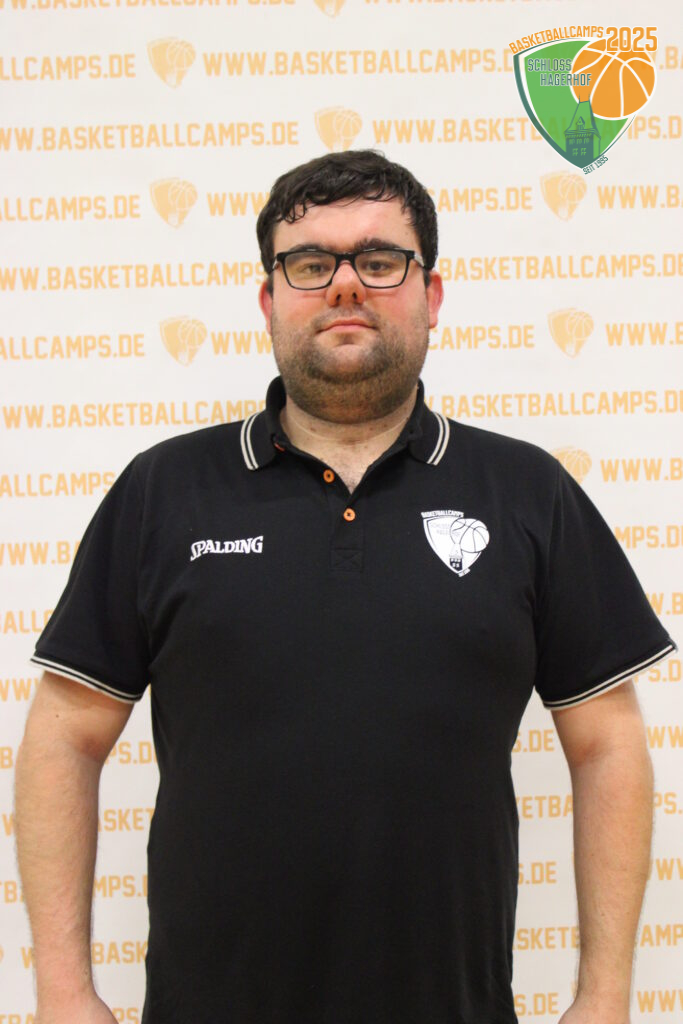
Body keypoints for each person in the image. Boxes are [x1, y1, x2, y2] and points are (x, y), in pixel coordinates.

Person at [16, 150, 675, 1024]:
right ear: (268, 299)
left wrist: (604, 996)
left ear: (431, 294)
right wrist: (63, 991)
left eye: (378, 259)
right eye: (308, 263)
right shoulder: (164, 491)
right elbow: (65, 735)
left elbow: (606, 744)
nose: (344, 285)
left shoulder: (526, 493)